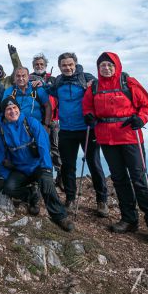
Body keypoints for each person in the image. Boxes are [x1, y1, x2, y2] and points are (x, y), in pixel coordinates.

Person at [82, 52, 148, 245]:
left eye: (109, 65)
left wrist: (140, 118)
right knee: (119, 179)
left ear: (116, 66)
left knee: (139, 178)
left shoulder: (128, 82)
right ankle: (129, 219)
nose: (106, 68)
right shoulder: (94, 87)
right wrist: (90, 116)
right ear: (98, 68)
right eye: (102, 65)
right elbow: (87, 107)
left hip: (129, 137)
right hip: (107, 139)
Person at [0, 97, 74, 231]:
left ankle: (60, 216)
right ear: (3, 113)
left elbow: (43, 146)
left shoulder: (30, 122)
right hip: (20, 169)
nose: (12, 111)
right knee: (9, 188)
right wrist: (4, 178)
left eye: (15, 108)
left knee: (47, 184)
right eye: (8, 109)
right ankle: (31, 195)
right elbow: (0, 155)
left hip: (38, 165)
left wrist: (47, 168)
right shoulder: (0, 131)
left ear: (19, 109)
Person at [48, 53, 108, 217]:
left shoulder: (86, 78)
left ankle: (102, 201)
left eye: (70, 64)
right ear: (60, 66)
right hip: (66, 129)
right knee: (68, 166)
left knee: (94, 163)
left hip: (87, 128)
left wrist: (94, 85)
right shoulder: (58, 81)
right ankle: (70, 198)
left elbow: (102, 89)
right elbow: (48, 91)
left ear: (75, 64)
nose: (67, 67)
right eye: (64, 65)